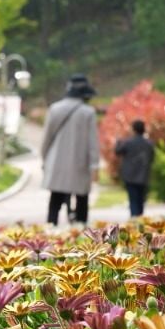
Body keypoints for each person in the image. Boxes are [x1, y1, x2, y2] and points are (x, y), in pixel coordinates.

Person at [41, 74, 99, 226]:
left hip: (57, 162)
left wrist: (45, 159)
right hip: (80, 163)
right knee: (82, 199)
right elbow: (93, 143)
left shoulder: (55, 109)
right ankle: (81, 231)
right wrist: (94, 166)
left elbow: (46, 139)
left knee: (55, 200)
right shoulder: (88, 112)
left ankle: (50, 230)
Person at [115, 119, 155, 218]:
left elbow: (118, 151)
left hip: (130, 175)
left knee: (133, 199)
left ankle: (134, 218)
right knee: (141, 199)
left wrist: (118, 141)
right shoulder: (149, 143)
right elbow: (152, 158)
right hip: (143, 174)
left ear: (133, 129)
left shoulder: (128, 142)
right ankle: (140, 218)